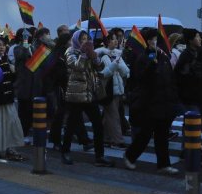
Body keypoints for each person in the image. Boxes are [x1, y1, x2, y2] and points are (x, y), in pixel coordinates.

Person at [124, 28, 179, 174]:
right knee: (146, 134)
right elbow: (141, 78)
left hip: (163, 102)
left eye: (156, 39)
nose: (155, 42)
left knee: (162, 135)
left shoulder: (164, 56)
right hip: (149, 103)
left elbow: (170, 78)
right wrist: (151, 64)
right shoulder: (143, 58)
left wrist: (172, 96)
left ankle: (164, 164)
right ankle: (130, 156)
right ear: (146, 41)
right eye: (151, 39)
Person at [60, 30, 114, 167]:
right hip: (76, 95)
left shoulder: (89, 51)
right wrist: (84, 54)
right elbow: (78, 67)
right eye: (82, 39)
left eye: (86, 39)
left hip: (90, 94)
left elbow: (100, 68)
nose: (85, 41)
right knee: (71, 125)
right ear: (77, 40)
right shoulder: (70, 52)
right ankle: (65, 152)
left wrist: (95, 57)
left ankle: (99, 156)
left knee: (98, 125)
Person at [97, 31, 130, 149]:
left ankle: (105, 138)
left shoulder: (117, 54)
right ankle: (117, 141)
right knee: (114, 115)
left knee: (108, 115)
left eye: (116, 39)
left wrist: (119, 65)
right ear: (107, 41)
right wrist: (113, 66)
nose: (116, 41)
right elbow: (102, 74)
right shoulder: (101, 55)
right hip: (108, 90)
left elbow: (126, 72)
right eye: (113, 39)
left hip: (118, 89)